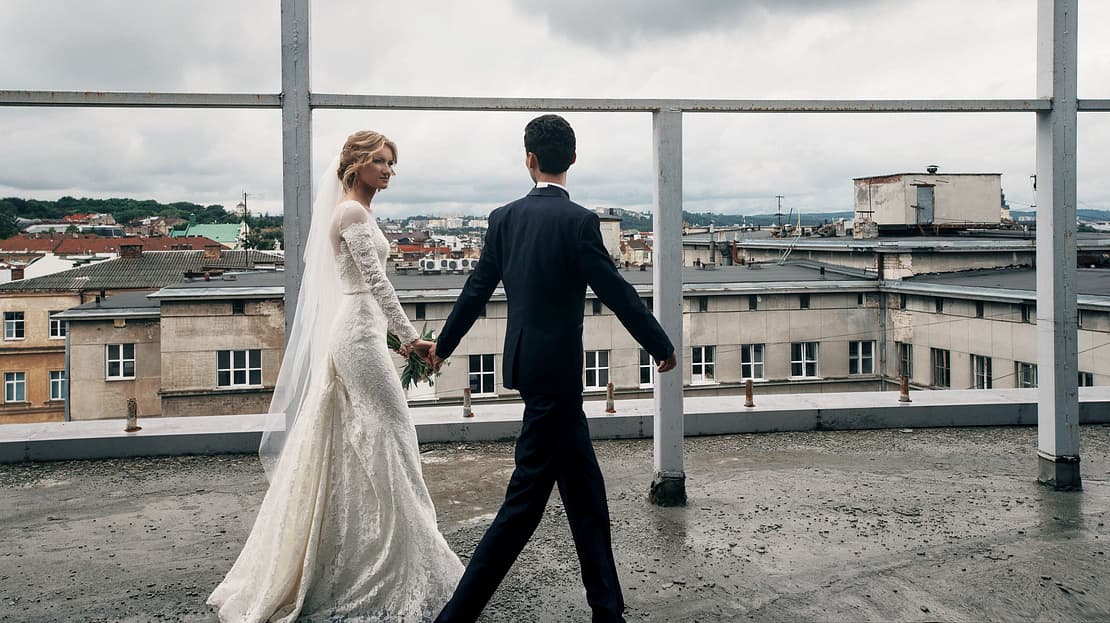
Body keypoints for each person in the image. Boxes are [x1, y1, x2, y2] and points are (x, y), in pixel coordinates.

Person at [429, 114, 678, 623]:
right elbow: (617, 292)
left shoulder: (503, 218)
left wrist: (442, 346)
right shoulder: (580, 222)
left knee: (586, 499)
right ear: (573, 160)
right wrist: (659, 344)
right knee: (522, 509)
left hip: (529, 367)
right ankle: (455, 617)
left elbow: (476, 290)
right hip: (559, 379)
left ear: (529, 160)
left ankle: (608, 610)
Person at [208, 131, 463, 622]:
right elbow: (377, 284)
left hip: (363, 332)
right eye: (380, 162)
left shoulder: (359, 212)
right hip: (358, 335)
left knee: (367, 437)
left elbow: (371, 291)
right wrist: (411, 339)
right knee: (390, 432)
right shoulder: (350, 213)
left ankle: (366, 550)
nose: (388, 170)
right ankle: (394, 556)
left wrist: (395, 338)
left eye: (392, 163)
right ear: (355, 164)